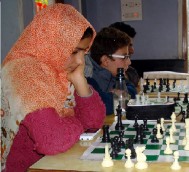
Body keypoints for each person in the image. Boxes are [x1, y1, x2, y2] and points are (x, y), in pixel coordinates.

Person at [1, 4, 106, 172]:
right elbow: (51, 140)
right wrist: (80, 122)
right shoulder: (24, 72)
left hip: (52, 165)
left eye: (83, 53)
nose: (80, 61)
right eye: (74, 52)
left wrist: (80, 81)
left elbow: (94, 123)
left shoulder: (57, 71)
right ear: (51, 42)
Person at [85, 27, 132, 115]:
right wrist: (116, 97)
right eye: (124, 57)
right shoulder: (89, 77)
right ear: (106, 61)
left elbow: (131, 90)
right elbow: (104, 106)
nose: (129, 62)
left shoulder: (112, 74)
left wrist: (119, 95)